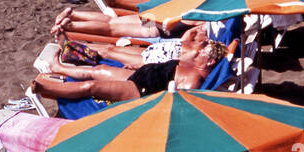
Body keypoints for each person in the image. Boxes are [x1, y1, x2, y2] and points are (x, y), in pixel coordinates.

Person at [29, 39, 227, 102]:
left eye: (203, 52)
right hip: (142, 75)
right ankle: (57, 67)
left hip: (142, 91)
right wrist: (138, 66)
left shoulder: (194, 80)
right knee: (100, 69)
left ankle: (44, 90)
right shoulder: (191, 64)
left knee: (92, 86)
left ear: (209, 62)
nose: (199, 51)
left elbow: (174, 101)